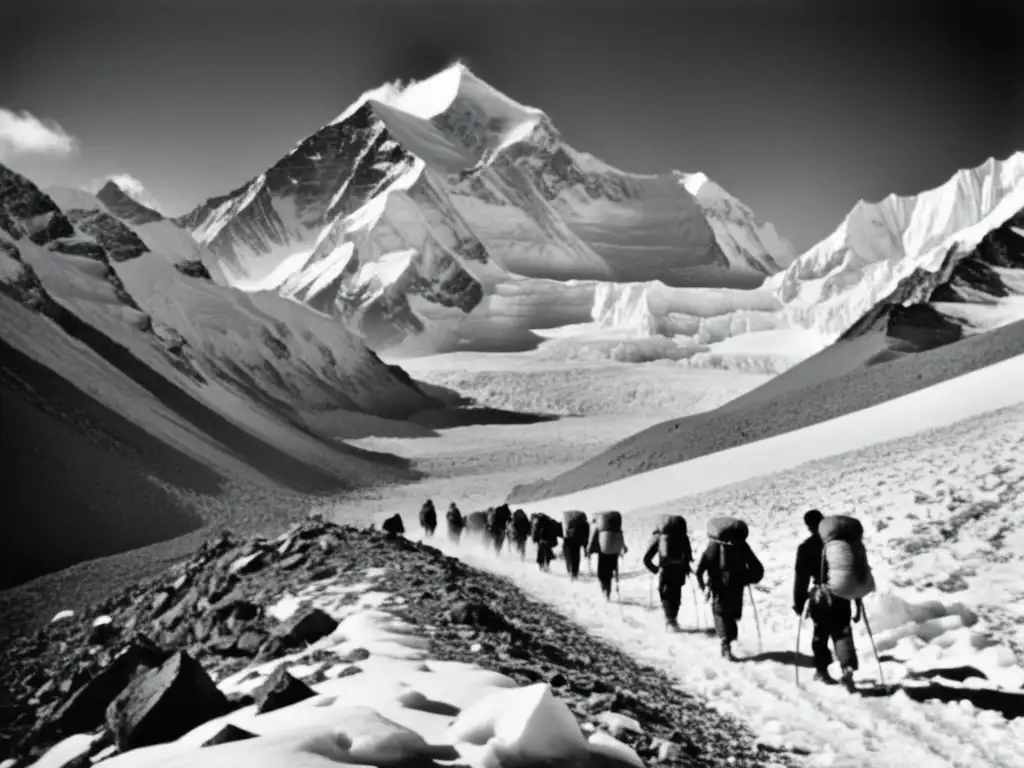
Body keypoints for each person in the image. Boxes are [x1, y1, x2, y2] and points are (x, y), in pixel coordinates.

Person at [793, 509, 861, 691]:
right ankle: (847, 668)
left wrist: (799, 602)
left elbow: (801, 578)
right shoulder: (841, 545)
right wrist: (857, 601)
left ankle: (822, 671)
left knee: (821, 633)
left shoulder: (806, 547)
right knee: (843, 631)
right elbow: (852, 572)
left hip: (820, 596)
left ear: (808, 526)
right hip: (842, 593)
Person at [695, 523, 764, 661]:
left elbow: (700, 570)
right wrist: (747, 579)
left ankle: (725, 644)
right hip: (737, 586)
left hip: (717, 587)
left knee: (720, 613)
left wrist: (703, 587)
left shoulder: (712, 546)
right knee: (731, 614)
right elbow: (757, 568)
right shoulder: (742, 545)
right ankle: (729, 642)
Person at [642, 515, 692, 632]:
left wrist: (655, 569)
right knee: (676, 594)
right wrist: (687, 569)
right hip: (680, 570)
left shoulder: (659, 537)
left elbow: (647, 558)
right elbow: (688, 555)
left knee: (665, 594)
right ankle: (674, 620)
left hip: (666, 569)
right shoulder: (683, 537)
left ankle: (669, 621)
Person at [587, 512, 627, 601]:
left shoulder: (599, 529)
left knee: (602, 574)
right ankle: (607, 592)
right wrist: (623, 548)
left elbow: (593, 540)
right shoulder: (617, 530)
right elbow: (621, 540)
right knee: (609, 574)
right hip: (614, 554)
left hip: (603, 554)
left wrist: (590, 550)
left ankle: (605, 591)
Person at [563, 511, 590, 580]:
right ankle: (574, 573)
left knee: (570, 557)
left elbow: (567, 532)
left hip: (569, 542)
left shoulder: (571, 522)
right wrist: (585, 548)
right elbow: (586, 537)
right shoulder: (585, 524)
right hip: (577, 543)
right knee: (576, 558)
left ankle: (570, 570)